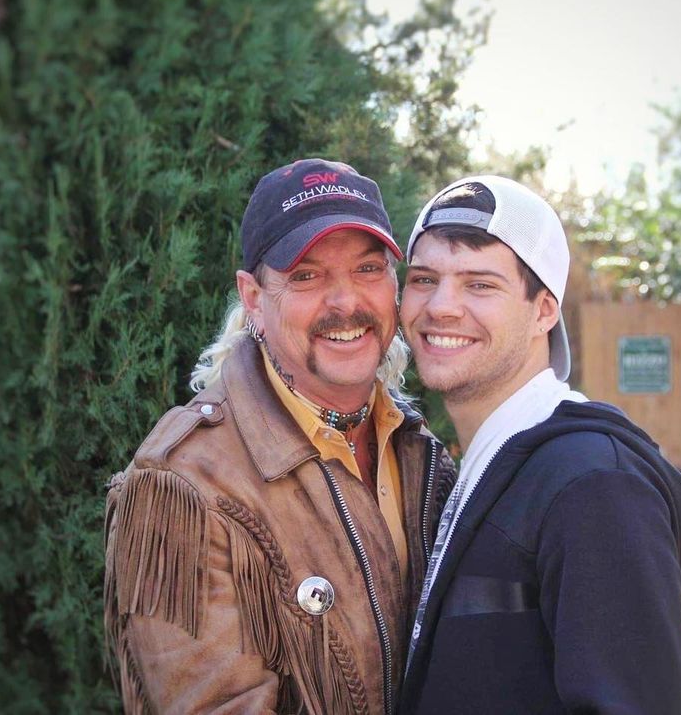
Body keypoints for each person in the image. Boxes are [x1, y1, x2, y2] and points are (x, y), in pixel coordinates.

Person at [103, 158, 455, 715]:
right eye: (307, 276)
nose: (345, 303)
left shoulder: (418, 449)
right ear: (252, 297)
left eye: (367, 269)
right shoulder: (182, 484)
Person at [397, 176, 681, 714]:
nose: (441, 307)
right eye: (424, 278)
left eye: (480, 284)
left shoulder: (593, 486)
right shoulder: (478, 467)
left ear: (544, 310)